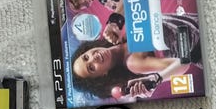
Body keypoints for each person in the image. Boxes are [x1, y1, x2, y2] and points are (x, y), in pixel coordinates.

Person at [72, 13, 201, 99]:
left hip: (196, 19)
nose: (93, 58)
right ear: (102, 75)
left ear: (88, 49)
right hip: (202, 44)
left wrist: (115, 20)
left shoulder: (119, 35)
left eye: (86, 57)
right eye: (91, 68)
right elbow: (184, 63)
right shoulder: (133, 62)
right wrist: (156, 78)